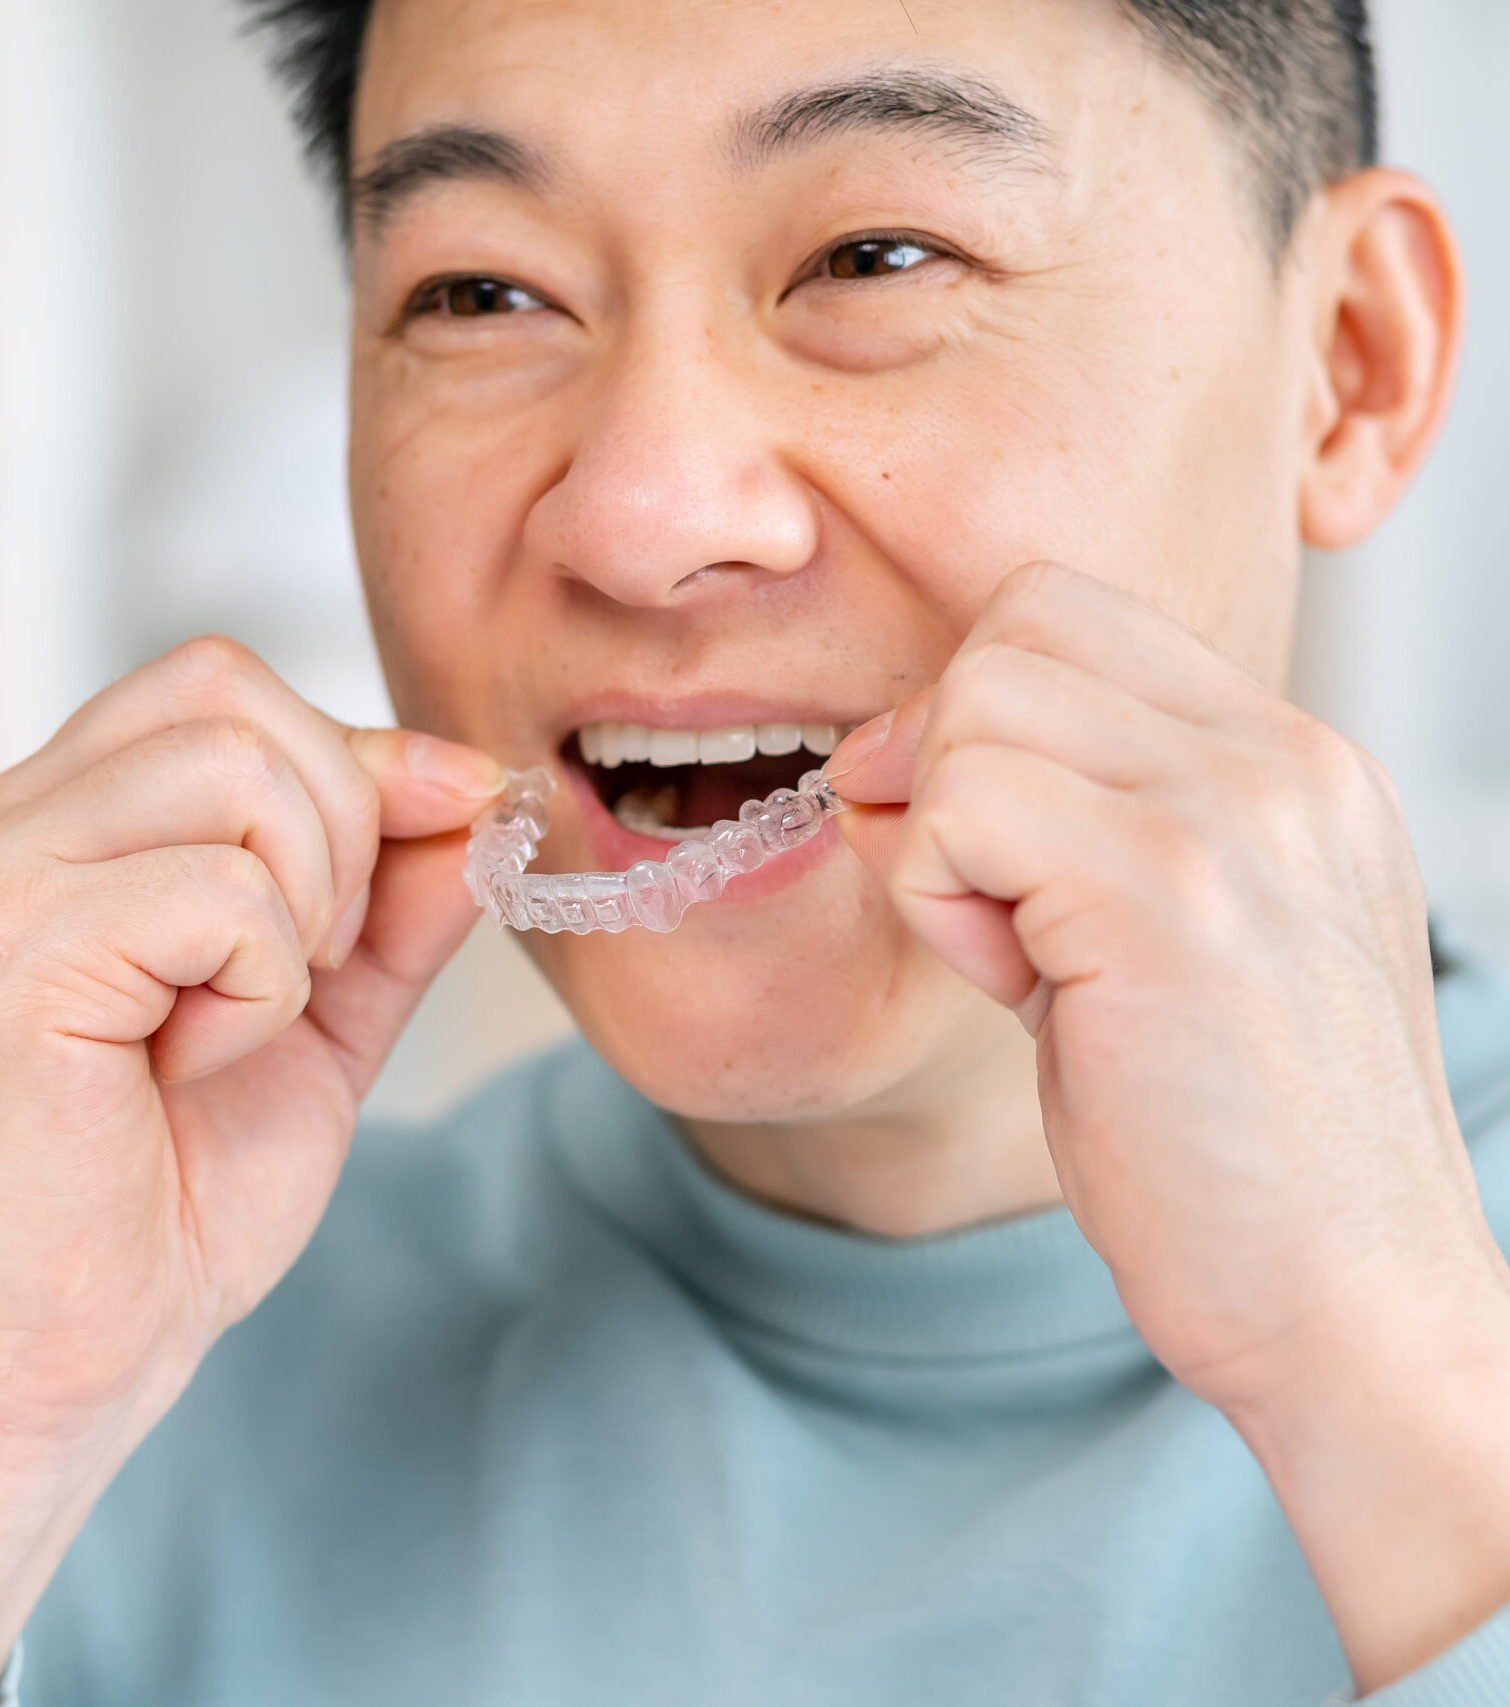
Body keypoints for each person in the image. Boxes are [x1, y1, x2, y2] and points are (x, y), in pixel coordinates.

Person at [4, 0, 1509, 1700]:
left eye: (874, 258)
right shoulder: (119, 1344)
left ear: (1350, 365)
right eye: (480, 294)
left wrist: (1405, 1402)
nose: (636, 522)